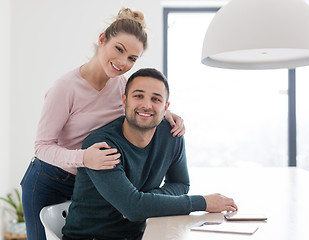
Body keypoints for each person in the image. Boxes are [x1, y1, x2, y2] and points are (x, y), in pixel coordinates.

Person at [20, 8, 185, 240]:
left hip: (89, 180)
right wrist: (84, 158)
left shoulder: (121, 85)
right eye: (119, 49)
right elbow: (42, 146)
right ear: (102, 39)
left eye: (131, 58)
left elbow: (140, 103)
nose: (122, 62)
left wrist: (167, 114)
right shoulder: (65, 88)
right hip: (49, 180)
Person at [62, 68, 238, 240]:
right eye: (138, 96)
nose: (147, 105)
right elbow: (133, 208)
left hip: (140, 234)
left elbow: (180, 183)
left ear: (165, 106)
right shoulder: (102, 145)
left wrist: (148, 200)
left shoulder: (172, 135)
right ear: (124, 101)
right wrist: (204, 203)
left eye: (156, 99)